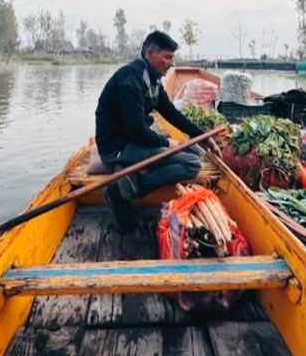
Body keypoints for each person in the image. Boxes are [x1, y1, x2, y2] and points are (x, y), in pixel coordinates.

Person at [95, 30, 221, 233]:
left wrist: (203, 137)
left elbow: (171, 113)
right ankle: (125, 189)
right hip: (118, 147)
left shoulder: (152, 79)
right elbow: (136, 130)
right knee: (192, 163)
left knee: (195, 152)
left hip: (133, 141)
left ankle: (131, 175)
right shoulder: (130, 79)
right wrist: (166, 142)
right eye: (167, 57)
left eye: (173, 57)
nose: (172, 63)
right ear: (149, 54)